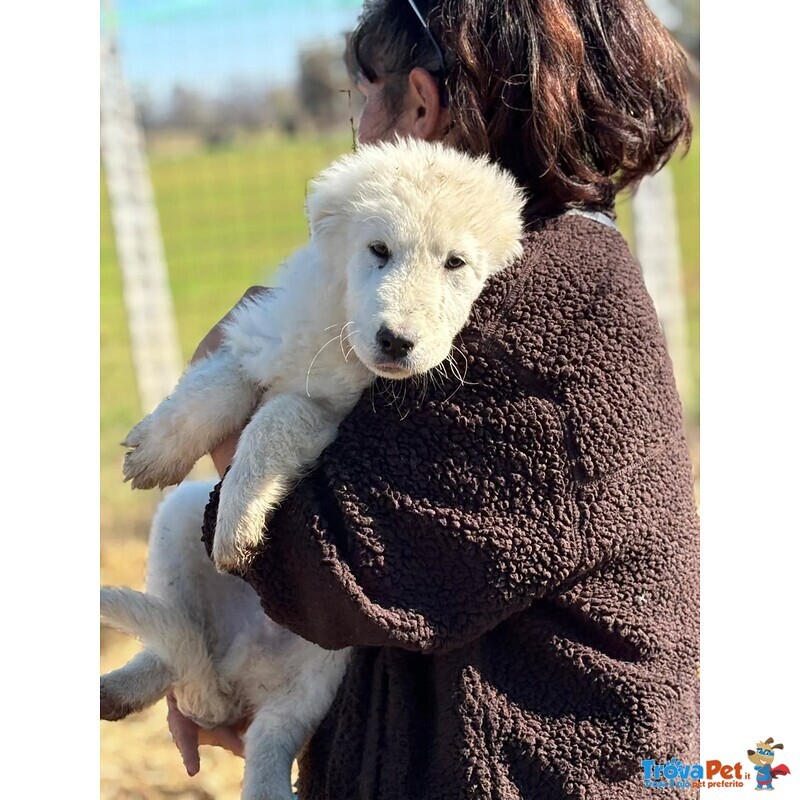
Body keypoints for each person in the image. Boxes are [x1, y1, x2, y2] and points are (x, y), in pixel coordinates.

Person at [167, 1, 699, 797]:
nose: (357, 128)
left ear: (418, 101)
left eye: (358, 100)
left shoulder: (530, 310)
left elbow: (324, 565)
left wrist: (235, 365)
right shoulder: (548, 264)